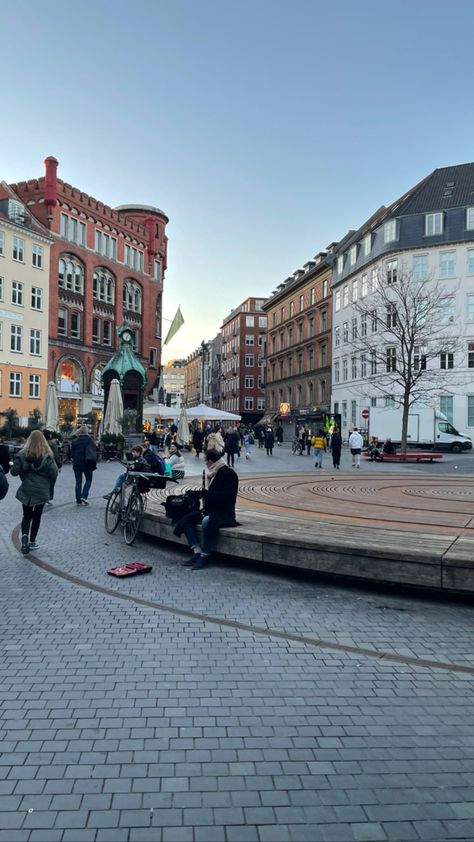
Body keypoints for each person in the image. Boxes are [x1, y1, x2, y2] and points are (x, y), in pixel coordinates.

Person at [174, 448, 239, 570]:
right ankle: (197, 551)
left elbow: (229, 497)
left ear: (211, 461)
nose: (205, 464)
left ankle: (205, 555)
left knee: (207, 522)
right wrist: (197, 494)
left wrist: (207, 494)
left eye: (206, 461)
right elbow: (209, 493)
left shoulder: (229, 474)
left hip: (223, 512)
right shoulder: (212, 474)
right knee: (186, 520)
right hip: (209, 510)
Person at [11, 430, 58, 554]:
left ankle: (24, 539)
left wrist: (22, 469)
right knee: (37, 517)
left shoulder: (22, 454)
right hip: (41, 491)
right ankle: (32, 542)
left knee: (26, 516)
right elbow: (54, 473)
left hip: (27, 490)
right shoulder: (48, 456)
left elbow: (14, 472)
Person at [71, 425, 97, 505]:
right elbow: (94, 450)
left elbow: (71, 454)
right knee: (88, 480)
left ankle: (78, 499)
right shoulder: (90, 440)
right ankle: (84, 496)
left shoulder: (75, 441)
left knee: (78, 482)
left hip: (77, 463)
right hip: (87, 462)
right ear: (87, 431)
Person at [43, 430, 62, 504]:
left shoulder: (40, 443)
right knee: (52, 482)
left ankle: (44, 496)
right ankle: (49, 497)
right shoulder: (52, 443)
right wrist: (59, 465)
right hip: (51, 464)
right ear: (49, 435)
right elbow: (56, 455)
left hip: (41, 464)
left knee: (43, 481)